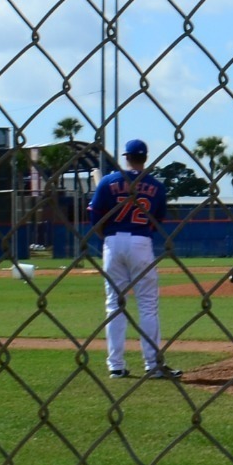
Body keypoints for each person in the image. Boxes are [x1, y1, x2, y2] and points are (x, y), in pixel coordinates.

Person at [88, 139, 175, 380]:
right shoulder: (156, 186)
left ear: (125, 157)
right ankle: (152, 364)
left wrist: (108, 238)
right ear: (145, 158)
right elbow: (157, 221)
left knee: (114, 305)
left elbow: (95, 219)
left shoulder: (108, 182)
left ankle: (115, 366)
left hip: (112, 241)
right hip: (141, 240)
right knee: (147, 305)